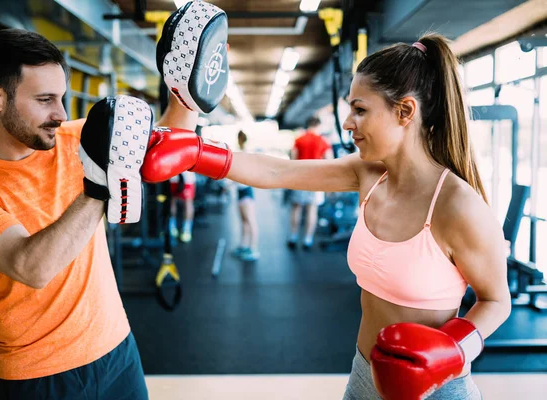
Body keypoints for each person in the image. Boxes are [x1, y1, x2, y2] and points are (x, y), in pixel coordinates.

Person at [141, 33, 512, 400]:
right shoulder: (369, 173)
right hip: (364, 375)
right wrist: (196, 152)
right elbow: (277, 173)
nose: (348, 122)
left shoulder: (457, 205)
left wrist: (453, 348)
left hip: (436, 389)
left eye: (360, 109)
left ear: (405, 112)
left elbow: (496, 300)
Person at [0, 29, 198, 400]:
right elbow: (32, 266)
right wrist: (101, 184)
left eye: (61, 98)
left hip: (117, 351)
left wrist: (189, 91)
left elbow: (167, 144)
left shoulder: (73, 138)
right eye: (45, 99)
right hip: (38, 375)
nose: (60, 114)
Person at [287, 116, 334, 250]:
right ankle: (308, 240)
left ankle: (293, 236)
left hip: (300, 179)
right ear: (318, 125)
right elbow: (330, 163)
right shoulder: (323, 141)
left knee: (296, 208)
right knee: (312, 210)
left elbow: (293, 160)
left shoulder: (299, 140)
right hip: (316, 180)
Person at [231, 130, 259, 261]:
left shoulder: (245, 153)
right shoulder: (238, 152)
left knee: (251, 221)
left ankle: (253, 249)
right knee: (244, 221)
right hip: (240, 192)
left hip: (246, 192)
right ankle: (243, 245)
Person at [169, 171, 197, 243]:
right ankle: (186, 231)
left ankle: (172, 228)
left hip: (173, 175)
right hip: (187, 176)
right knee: (188, 203)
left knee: (172, 201)